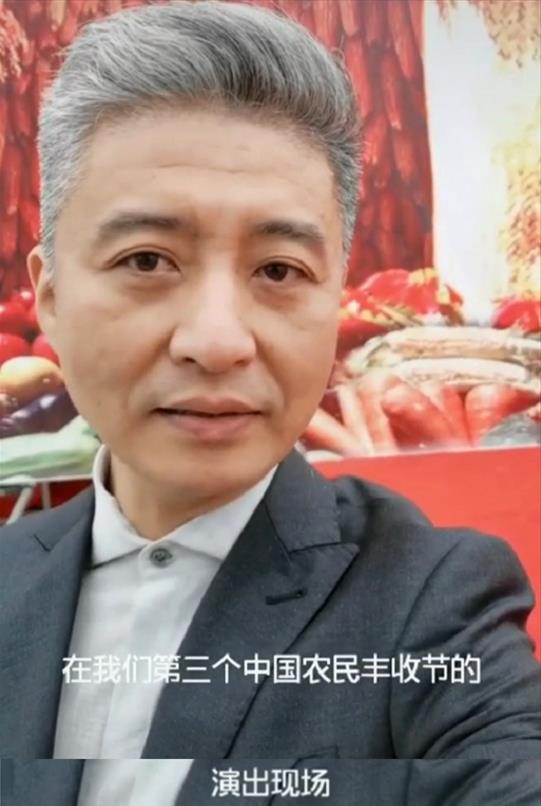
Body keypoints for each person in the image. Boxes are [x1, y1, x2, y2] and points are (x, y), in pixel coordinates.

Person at [0, 2, 540, 805]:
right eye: (146, 259)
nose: (217, 342)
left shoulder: (432, 602)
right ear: (50, 296)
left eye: (279, 270)